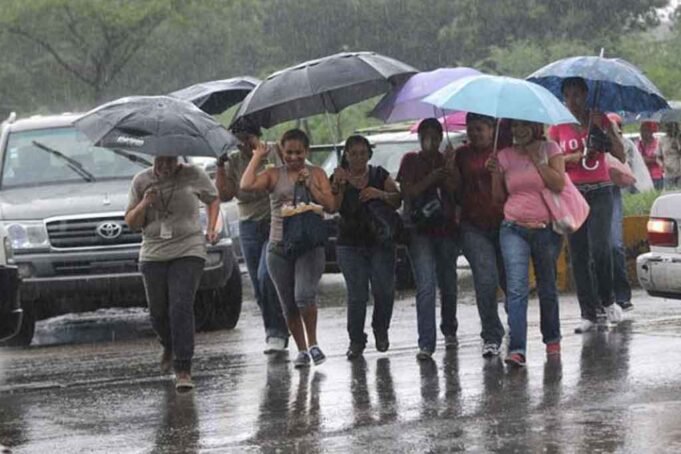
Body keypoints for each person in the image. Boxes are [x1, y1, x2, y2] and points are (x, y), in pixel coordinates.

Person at [240, 129, 335, 368]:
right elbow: (246, 184)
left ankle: (313, 344)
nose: (294, 157)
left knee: (304, 295)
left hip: (309, 245)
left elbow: (331, 205)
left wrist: (311, 186)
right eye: (289, 152)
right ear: (282, 151)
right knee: (288, 302)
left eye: (299, 152)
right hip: (279, 246)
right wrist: (257, 157)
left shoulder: (317, 173)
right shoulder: (274, 174)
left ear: (307, 151)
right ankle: (301, 350)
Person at [126, 156, 220, 390]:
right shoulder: (141, 180)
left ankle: (183, 368)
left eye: (171, 160)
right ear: (154, 158)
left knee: (180, 306)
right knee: (158, 312)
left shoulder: (193, 174)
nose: (165, 166)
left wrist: (211, 227)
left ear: (178, 157)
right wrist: (145, 203)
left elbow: (213, 198)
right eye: (161, 160)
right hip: (154, 252)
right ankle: (169, 343)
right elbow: (132, 223)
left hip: (189, 248)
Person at [547, 77, 626, 334]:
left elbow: (621, 155)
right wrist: (576, 156)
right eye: (568, 95)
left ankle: (608, 300)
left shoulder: (598, 119)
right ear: (563, 98)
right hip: (574, 194)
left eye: (578, 94)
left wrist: (608, 131)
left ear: (586, 95)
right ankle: (588, 313)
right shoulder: (558, 127)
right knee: (578, 253)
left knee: (602, 247)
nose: (573, 100)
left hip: (601, 190)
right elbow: (551, 161)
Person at [489, 120, 565, 367]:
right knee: (516, 289)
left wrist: (537, 159)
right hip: (513, 229)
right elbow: (498, 198)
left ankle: (552, 339)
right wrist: (495, 174)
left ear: (535, 127)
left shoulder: (551, 149)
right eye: (514, 126)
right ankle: (517, 349)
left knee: (547, 286)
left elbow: (558, 183)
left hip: (546, 229)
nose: (518, 130)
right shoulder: (504, 155)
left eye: (524, 125)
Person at [215, 119, 289, 354]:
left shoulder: (274, 152)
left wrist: (261, 154)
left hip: (275, 222)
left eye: (248, 139)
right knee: (258, 286)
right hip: (248, 225)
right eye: (239, 141)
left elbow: (290, 174)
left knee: (266, 276)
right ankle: (275, 328)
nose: (244, 145)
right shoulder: (234, 161)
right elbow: (225, 195)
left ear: (257, 136)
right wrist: (220, 166)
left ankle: (277, 332)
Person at [330, 135, 401, 359]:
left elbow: (397, 199)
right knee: (357, 294)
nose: (358, 158)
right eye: (353, 154)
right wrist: (338, 186)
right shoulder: (338, 177)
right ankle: (356, 339)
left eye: (362, 153)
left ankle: (381, 328)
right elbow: (333, 207)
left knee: (384, 289)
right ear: (346, 156)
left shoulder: (379, 174)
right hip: (350, 243)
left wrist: (380, 194)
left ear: (369, 154)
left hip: (380, 242)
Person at [397, 118, 459, 361]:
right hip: (419, 229)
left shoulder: (447, 160)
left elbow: (456, 191)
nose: (431, 141)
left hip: (446, 229)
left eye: (435, 137)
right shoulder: (410, 160)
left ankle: (449, 328)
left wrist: (450, 168)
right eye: (426, 137)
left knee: (448, 282)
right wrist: (432, 177)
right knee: (426, 285)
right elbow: (407, 192)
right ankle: (426, 342)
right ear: (420, 138)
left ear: (441, 138)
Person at [451, 113, 506, 358]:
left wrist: (498, 172)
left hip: (505, 224)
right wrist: (450, 169)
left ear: (492, 129)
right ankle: (491, 335)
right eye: (471, 129)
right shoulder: (461, 155)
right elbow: (454, 191)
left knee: (510, 280)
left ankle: (516, 323)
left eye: (480, 129)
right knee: (485, 279)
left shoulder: (504, 152)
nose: (475, 133)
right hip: (473, 226)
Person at [606, 113, 635, 312]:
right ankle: (603, 297)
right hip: (590, 191)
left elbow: (625, 165)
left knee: (615, 245)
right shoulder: (587, 135)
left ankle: (622, 295)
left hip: (612, 191)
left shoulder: (625, 144)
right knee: (595, 249)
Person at [636, 121, 663, 190]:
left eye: (645, 130)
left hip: (656, 176)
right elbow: (636, 159)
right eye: (641, 131)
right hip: (643, 176)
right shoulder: (639, 144)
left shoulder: (657, 143)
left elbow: (658, 159)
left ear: (651, 131)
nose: (642, 133)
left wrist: (645, 159)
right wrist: (649, 159)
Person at [659, 122, 681, 190]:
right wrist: (662, 165)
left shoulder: (678, 138)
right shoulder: (662, 140)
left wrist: (677, 143)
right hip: (668, 172)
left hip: (679, 171)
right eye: (668, 126)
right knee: (669, 191)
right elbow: (658, 157)